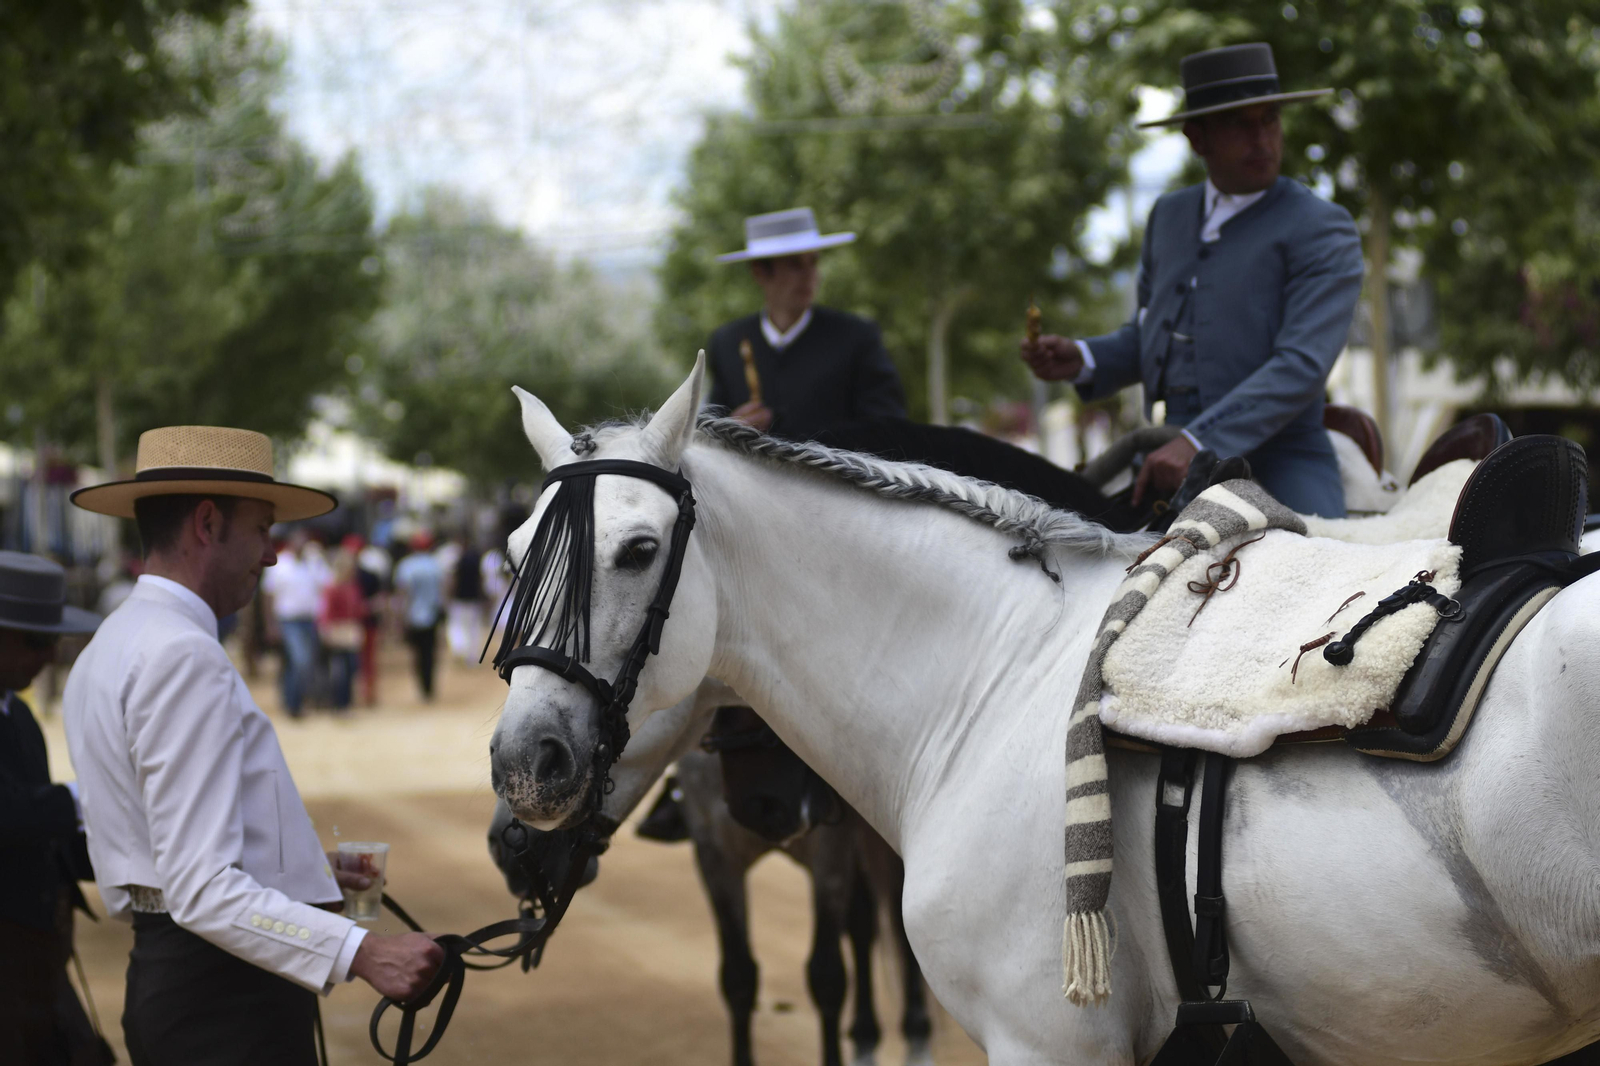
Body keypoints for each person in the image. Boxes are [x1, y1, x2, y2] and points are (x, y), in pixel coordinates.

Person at [63, 426, 443, 1065]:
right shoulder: (180, 654)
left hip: (182, 981)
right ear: (207, 524)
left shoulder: (114, 643)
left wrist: (298, 864)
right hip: (220, 996)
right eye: (262, 530)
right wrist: (363, 952)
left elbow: (167, 852)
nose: (270, 555)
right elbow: (202, 887)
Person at [1021, 43, 1364, 518]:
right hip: (1165, 459)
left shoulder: (1322, 226)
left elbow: (1301, 365)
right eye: (1240, 124)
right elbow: (1155, 336)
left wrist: (1200, 440)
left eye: (1269, 120)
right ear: (1196, 139)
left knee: (1322, 577)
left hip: (1282, 459)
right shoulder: (1168, 215)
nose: (1262, 139)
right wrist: (1083, 358)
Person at [0, 551, 111, 1066]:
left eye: (54, 641)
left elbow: (47, 836)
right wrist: (95, 796)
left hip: (33, 962)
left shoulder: (17, 714)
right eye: (35, 640)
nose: (49, 656)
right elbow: (12, 815)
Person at [706, 207, 907, 440]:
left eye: (814, 261)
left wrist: (779, 425)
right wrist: (729, 428)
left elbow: (889, 428)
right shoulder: (726, 343)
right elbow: (712, 434)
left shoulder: (857, 337)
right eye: (795, 264)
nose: (810, 274)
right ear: (760, 272)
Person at [261, 530, 328, 717]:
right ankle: (295, 703)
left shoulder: (314, 562)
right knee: (301, 660)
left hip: (311, 619)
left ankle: (293, 701)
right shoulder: (280, 564)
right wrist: (270, 624)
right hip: (289, 620)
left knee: (300, 663)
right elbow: (269, 595)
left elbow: (326, 586)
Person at [393, 530, 444, 701]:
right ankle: (429, 686)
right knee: (430, 652)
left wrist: (400, 616)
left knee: (417, 653)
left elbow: (403, 593)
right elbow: (443, 590)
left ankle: (422, 686)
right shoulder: (435, 564)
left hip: (413, 616)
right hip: (432, 615)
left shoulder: (406, 566)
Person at [317, 548, 367, 713]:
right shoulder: (332, 588)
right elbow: (326, 611)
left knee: (352, 667)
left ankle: (347, 702)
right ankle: (339, 703)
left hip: (350, 629)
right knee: (340, 670)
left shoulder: (352, 587)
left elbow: (356, 609)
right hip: (337, 631)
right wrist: (325, 630)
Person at [445, 535, 485, 664]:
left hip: (460, 599)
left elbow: (454, 581)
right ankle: (472, 657)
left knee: (458, 625)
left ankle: (461, 648)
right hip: (474, 599)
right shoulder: (476, 559)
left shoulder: (459, 561)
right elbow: (480, 580)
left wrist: (449, 595)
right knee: (473, 628)